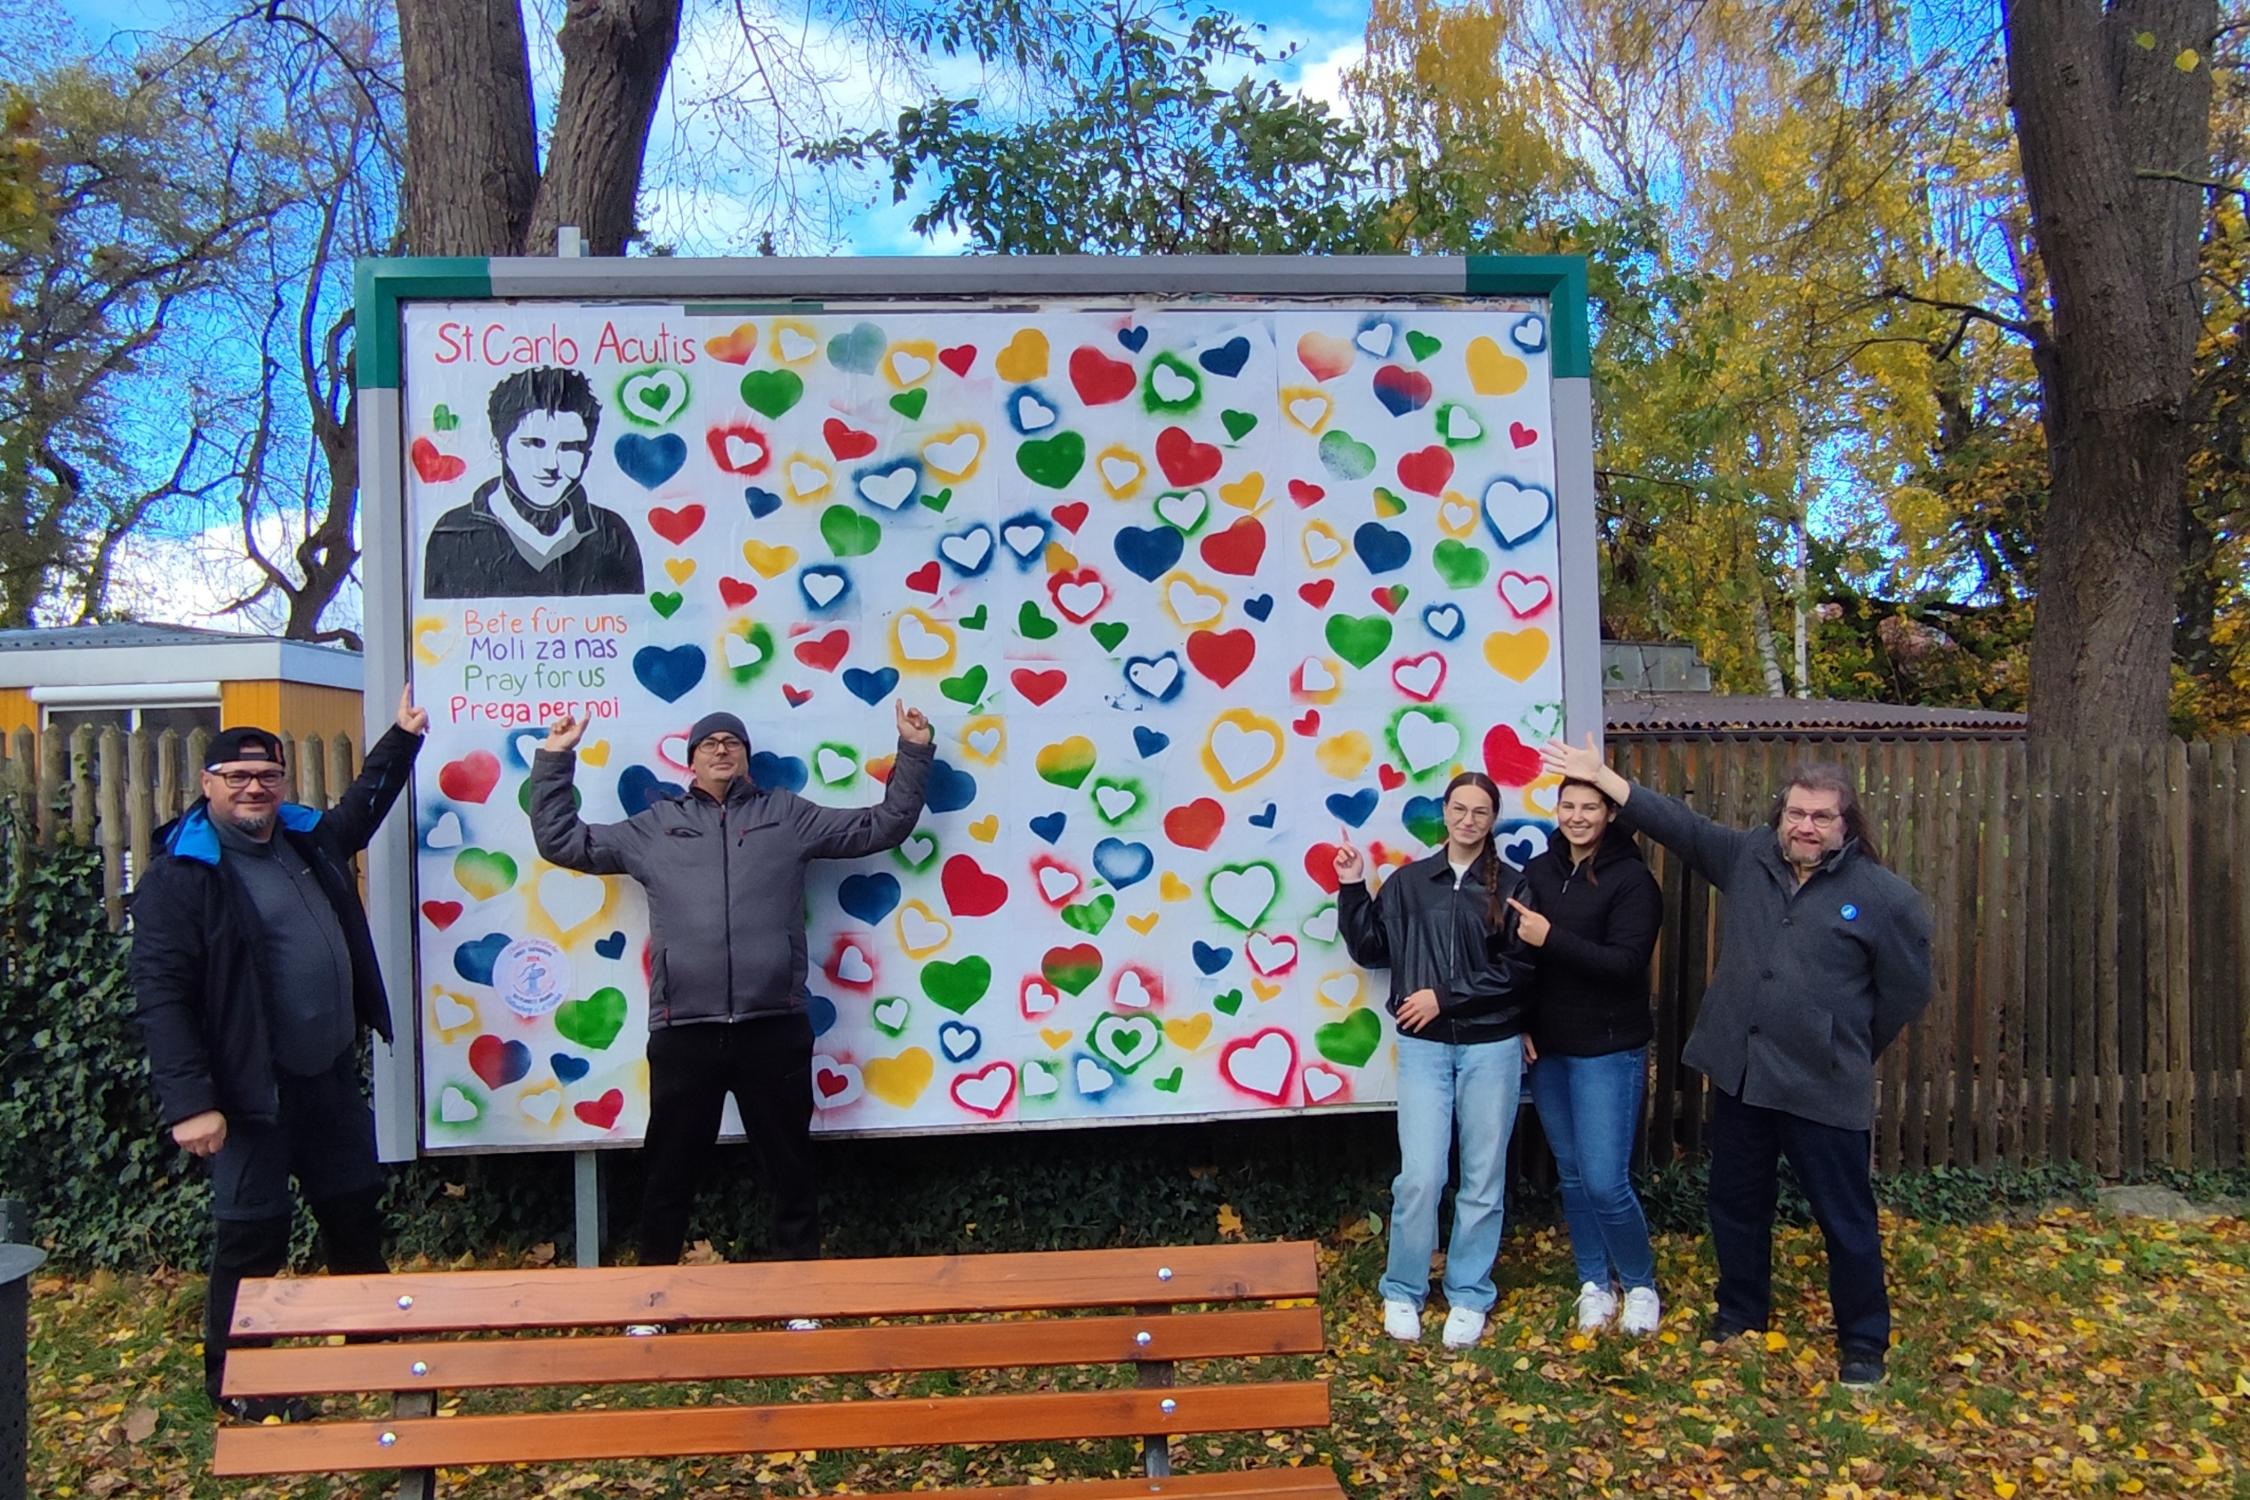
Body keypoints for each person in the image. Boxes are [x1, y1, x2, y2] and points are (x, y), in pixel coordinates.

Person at [1540, 736, 1932, 1387]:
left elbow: (1904, 992)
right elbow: (1680, 826)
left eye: (1821, 817)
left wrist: (1845, 1042)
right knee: (1735, 1202)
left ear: (1846, 824)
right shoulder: (1749, 857)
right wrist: (1605, 779)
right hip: (1743, 1076)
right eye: (1796, 814)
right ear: (1780, 815)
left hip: (1823, 1087)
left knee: (1846, 1219)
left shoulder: (1885, 898)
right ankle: (1741, 1312)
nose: (1805, 827)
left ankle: (1864, 1342)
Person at [530, 701, 934, 1285]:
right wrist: (554, 757)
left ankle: (799, 1297)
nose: (722, 749)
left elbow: (881, 825)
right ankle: (653, 1298)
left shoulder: (785, 816)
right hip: (684, 1030)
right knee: (667, 1172)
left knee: (790, 1170)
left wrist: (914, 750)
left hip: (774, 1026)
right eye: (709, 742)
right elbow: (563, 841)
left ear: (745, 757)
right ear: (690, 759)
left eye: (733, 741)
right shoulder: (655, 827)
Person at [129, 689, 428, 1420]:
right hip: (247, 1093)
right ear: (208, 785)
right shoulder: (182, 875)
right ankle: (234, 1384)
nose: (254, 787)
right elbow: (161, 996)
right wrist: (191, 1103)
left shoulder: (302, 842)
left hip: (324, 1077)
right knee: (251, 1235)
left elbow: (359, 811)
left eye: (266, 775)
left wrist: (402, 737)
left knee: (354, 1210)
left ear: (283, 782)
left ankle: (378, 1347)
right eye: (238, 777)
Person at [1336, 770, 1536, 1350]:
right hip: (1424, 1051)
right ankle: (1403, 1289)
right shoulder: (1407, 883)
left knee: (1482, 1179)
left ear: (1492, 819)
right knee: (1420, 1177)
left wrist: (1445, 997)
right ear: (1443, 814)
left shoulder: (1515, 887)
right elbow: (1372, 948)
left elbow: (1520, 969)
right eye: (1458, 808)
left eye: (1480, 811)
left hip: (1491, 1047)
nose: (1468, 819)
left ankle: (1469, 1292)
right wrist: (1352, 887)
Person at [1509, 778, 1664, 1335]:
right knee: (1573, 1176)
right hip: (1550, 1049)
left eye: (1589, 807)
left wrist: (1551, 937)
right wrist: (1523, 1020)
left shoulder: (1633, 882)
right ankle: (1594, 1283)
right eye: (1568, 806)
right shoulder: (1540, 872)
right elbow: (1521, 959)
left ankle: (1641, 1284)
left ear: (1609, 814)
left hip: (1608, 1049)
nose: (1577, 817)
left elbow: (1624, 964)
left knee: (1604, 1180)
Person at [422, 365, 646, 599]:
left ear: (587, 454)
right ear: (499, 447)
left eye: (569, 447)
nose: (551, 464)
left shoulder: (611, 533)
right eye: (533, 444)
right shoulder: (454, 532)